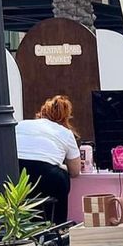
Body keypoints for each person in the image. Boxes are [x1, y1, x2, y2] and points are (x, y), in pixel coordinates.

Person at [15, 95, 81, 224]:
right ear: (65, 117)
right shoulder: (65, 133)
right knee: (60, 177)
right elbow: (75, 171)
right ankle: (58, 226)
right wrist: (60, 166)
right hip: (47, 178)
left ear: (42, 112)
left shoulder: (20, 125)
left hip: (17, 175)